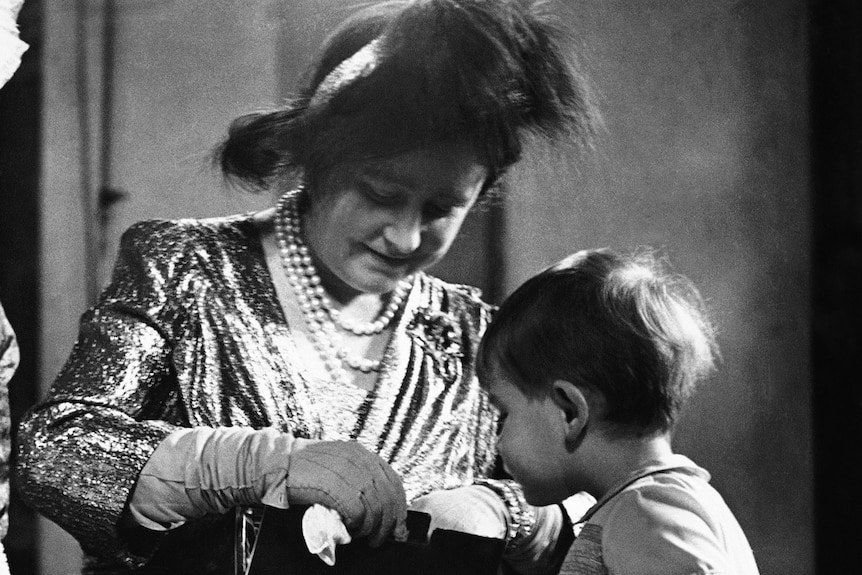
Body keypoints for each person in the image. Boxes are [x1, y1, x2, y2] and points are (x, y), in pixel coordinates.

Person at [15, 1, 599, 573]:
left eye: (442, 207)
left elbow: (593, 497)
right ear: (317, 156)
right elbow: (54, 452)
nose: (404, 236)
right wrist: (252, 465)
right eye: (380, 193)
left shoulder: (476, 338)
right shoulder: (185, 267)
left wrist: (510, 514)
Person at [476, 248, 760, 575]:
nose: (497, 442)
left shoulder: (645, 512)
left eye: (504, 414)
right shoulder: (643, 505)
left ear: (569, 412)